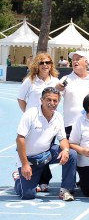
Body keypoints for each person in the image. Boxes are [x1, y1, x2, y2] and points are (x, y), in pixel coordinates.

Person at [13, 87, 77, 201]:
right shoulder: (30, 114)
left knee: (71, 154)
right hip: (29, 159)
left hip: (46, 154)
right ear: (41, 100)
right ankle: (18, 179)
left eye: (55, 100)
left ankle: (66, 189)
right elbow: (20, 139)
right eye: (48, 100)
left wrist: (65, 150)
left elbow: (62, 139)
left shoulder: (58, 117)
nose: (52, 103)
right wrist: (25, 164)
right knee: (28, 195)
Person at [17, 53, 61, 193]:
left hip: (48, 121)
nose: (45, 65)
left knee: (45, 151)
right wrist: (28, 113)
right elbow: (20, 98)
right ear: (37, 65)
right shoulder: (30, 81)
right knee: (32, 150)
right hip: (33, 122)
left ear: (51, 65)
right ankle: (23, 173)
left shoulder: (55, 81)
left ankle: (44, 180)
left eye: (47, 62)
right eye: (41, 63)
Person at [55, 51, 89, 136]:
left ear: (86, 62)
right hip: (71, 124)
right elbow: (55, 98)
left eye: (77, 59)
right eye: (73, 60)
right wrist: (57, 89)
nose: (75, 61)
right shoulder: (65, 79)